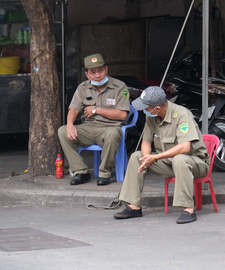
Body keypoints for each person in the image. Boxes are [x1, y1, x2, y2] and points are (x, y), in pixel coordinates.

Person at [114, 86, 209, 224]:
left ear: (156, 108)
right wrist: (147, 158)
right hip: (168, 162)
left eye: (145, 107)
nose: (143, 111)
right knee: (136, 157)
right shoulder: (152, 117)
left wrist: (156, 157)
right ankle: (133, 206)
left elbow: (185, 147)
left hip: (195, 163)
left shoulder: (182, 114)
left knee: (180, 159)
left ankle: (188, 209)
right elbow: (146, 142)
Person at [58, 53, 130, 186]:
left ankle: (104, 173)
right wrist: (69, 124)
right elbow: (73, 109)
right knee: (62, 131)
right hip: (88, 129)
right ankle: (81, 172)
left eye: (101, 71)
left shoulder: (120, 87)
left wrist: (96, 110)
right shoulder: (83, 88)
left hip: (109, 129)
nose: (98, 75)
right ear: (87, 74)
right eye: (93, 72)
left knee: (114, 133)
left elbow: (122, 115)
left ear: (106, 70)